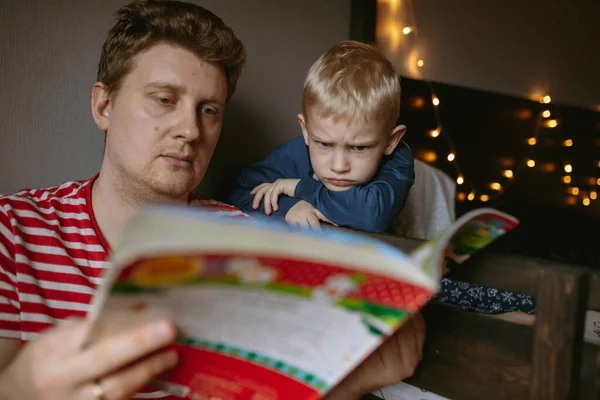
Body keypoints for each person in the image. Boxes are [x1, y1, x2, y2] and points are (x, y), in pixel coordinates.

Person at [0, 1, 424, 399]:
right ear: (104, 105)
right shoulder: (13, 231)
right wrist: (18, 388)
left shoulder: (249, 241)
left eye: (208, 110)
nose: (189, 129)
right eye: (165, 99)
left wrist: (345, 385)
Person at [228, 40, 415, 233]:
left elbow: (371, 215)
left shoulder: (398, 160)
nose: (339, 166)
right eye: (325, 144)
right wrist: (289, 207)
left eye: (359, 148)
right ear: (306, 131)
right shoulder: (294, 154)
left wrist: (300, 188)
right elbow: (236, 193)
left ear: (391, 141)